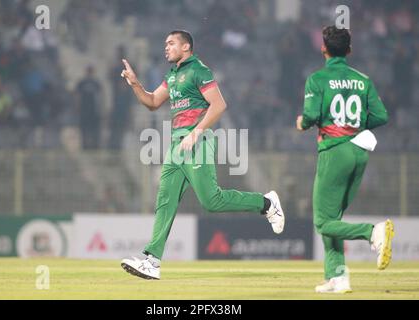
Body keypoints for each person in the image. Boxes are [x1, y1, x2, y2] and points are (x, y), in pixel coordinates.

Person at [120, 30, 285, 280]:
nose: (166, 47)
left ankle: (267, 203)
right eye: (165, 43)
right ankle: (152, 260)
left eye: (171, 43)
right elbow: (153, 101)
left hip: (197, 141)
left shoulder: (199, 70)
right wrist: (135, 84)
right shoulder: (172, 75)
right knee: (165, 201)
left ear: (186, 47)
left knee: (212, 201)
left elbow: (219, 105)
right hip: (177, 144)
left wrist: (197, 132)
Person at [296, 26, 393, 293]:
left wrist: (302, 123)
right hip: (359, 151)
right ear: (349, 50)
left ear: (323, 49)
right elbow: (381, 116)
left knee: (323, 222)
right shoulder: (363, 79)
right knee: (334, 216)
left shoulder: (317, 79)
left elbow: (311, 115)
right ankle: (337, 276)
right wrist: (358, 125)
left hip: (334, 150)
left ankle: (372, 232)